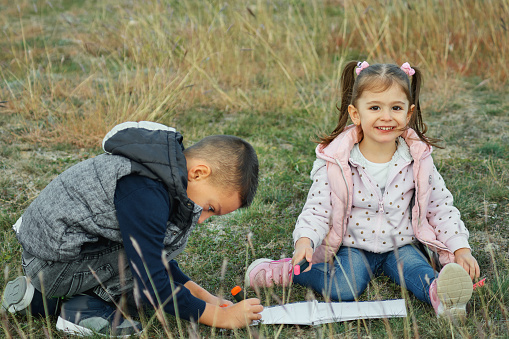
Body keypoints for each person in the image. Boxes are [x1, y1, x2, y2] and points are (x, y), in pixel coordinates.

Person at [245, 61, 481, 319]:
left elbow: (440, 207)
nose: (387, 116)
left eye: (396, 108)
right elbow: (318, 207)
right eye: (375, 108)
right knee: (344, 288)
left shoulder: (418, 160)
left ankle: (443, 296)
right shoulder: (337, 161)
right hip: (353, 246)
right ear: (356, 113)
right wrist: (305, 240)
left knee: (420, 272)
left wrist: (460, 249)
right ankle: (291, 271)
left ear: (408, 113)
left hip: (400, 245)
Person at [2, 121, 263, 336]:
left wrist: (195, 291)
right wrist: (221, 316)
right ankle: (83, 311)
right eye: (210, 208)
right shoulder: (146, 192)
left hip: (53, 261)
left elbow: (152, 250)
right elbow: (151, 278)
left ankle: (39, 299)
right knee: (143, 287)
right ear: (198, 173)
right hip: (53, 266)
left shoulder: (156, 174)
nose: (201, 219)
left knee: (140, 267)